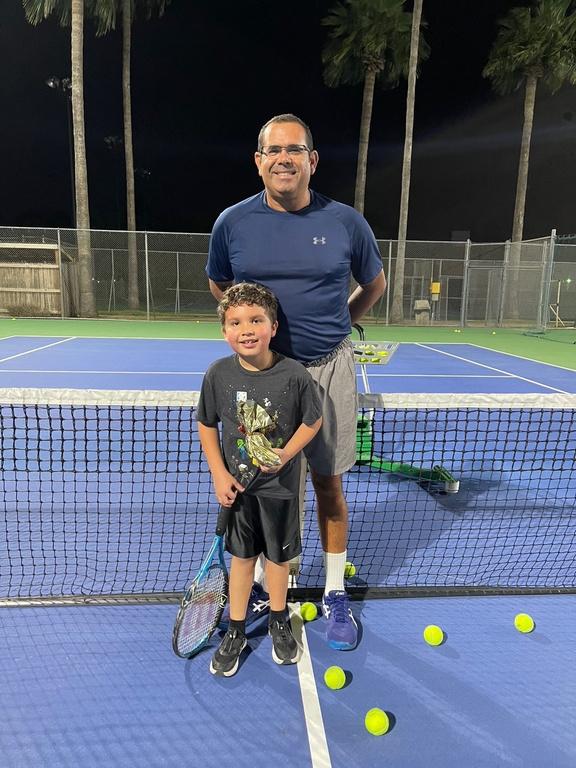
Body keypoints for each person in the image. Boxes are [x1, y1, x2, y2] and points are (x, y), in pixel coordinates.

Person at [206, 113, 386, 651]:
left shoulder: (346, 222)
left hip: (329, 369)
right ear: (258, 161)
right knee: (267, 486)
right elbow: (222, 288)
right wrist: (256, 338)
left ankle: (334, 591)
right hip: (264, 379)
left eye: (295, 150)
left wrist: (338, 325)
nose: (284, 159)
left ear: (312, 160)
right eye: (273, 150)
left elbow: (374, 284)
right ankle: (268, 585)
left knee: (328, 484)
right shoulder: (232, 223)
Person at [197, 282, 322, 677]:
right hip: (239, 491)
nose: (246, 329)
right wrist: (219, 474)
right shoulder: (218, 374)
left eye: (256, 320)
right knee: (242, 559)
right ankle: (236, 629)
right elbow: (206, 424)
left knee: (279, 559)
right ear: (224, 331)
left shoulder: (294, 374)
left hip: (281, 489)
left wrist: (286, 454)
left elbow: (313, 420)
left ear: (273, 326)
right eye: (235, 322)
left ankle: (279, 619)